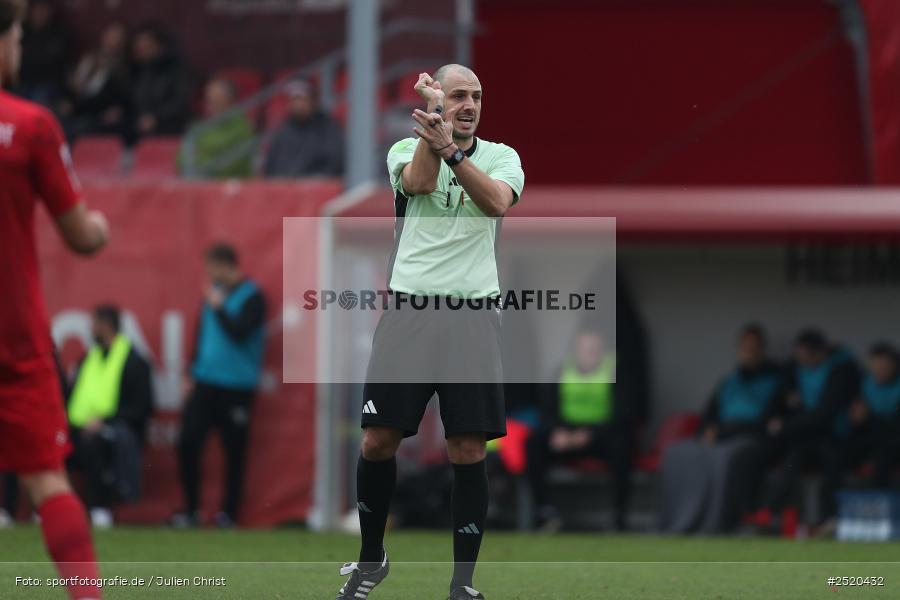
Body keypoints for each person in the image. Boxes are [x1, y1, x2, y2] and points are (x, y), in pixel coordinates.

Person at [336, 65, 524, 600]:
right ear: (439, 100)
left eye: (476, 96)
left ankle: (462, 585)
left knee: (467, 448)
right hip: (410, 312)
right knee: (378, 440)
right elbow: (418, 184)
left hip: (472, 317)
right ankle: (371, 560)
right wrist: (434, 132)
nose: (470, 105)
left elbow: (496, 202)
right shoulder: (405, 148)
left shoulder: (502, 156)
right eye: (458, 95)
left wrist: (454, 154)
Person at [0, 2, 109, 598]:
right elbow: (81, 236)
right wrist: (100, 228)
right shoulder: (30, 125)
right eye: (16, 38)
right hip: (13, 336)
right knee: (46, 480)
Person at [175, 243, 266, 529]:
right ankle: (191, 510)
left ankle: (228, 514)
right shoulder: (212, 295)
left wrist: (219, 307)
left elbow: (240, 332)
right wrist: (190, 371)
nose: (210, 275)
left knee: (234, 452)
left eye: (213, 269)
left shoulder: (253, 297)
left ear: (228, 265)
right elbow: (202, 335)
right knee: (188, 442)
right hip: (204, 382)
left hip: (236, 387)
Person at [660, 324, 782, 534]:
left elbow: (767, 422)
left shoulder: (776, 380)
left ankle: (715, 523)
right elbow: (708, 416)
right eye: (744, 348)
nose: (748, 353)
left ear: (762, 350)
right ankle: (677, 522)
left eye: (753, 348)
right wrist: (706, 432)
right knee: (678, 453)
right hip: (721, 437)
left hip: (751, 440)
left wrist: (723, 433)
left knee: (726, 456)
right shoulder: (728, 382)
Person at [753, 329, 860, 532]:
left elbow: (825, 414)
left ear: (820, 353)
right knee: (789, 462)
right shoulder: (793, 368)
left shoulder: (842, 369)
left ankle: (829, 519)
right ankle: (769, 513)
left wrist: (786, 424)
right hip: (804, 437)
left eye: (806, 357)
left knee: (833, 464)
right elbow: (780, 401)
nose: (802, 362)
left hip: (836, 436)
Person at [525, 329, 631, 532]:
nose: (588, 354)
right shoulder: (562, 371)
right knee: (534, 443)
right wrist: (558, 431)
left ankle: (618, 517)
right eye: (584, 350)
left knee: (622, 444)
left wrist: (591, 434)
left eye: (593, 350)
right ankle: (545, 512)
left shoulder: (615, 371)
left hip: (601, 435)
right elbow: (547, 408)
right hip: (566, 434)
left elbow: (623, 413)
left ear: (602, 351)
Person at [67, 305, 153, 528]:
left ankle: (99, 508)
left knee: (98, 442)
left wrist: (104, 421)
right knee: (52, 442)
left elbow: (142, 407)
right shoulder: (88, 358)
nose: (90, 329)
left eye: (94, 324)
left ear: (106, 326)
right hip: (76, 428)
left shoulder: (134, 362)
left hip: (114, 430)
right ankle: (51, 509)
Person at [816, 342, 900, 530]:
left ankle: (876, 518)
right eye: (876, 365)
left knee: (882, 462)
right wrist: (857, 419)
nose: (880, 370)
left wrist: (869, 418)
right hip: (867, 439)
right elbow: (856, 421)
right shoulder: (863, 385)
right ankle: (829, 518)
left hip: (892, 443)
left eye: (885, 366)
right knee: (836, 459)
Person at [60, 21, 130, 141]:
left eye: (117, 38)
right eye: (110, 36)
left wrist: (119, 110)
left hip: (99, 114)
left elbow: (122, 95)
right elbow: (75, 87)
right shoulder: (89, 59)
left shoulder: (123, 66)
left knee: (82, 128)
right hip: (79, 109)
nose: (112, 41)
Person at [263, 78, 343, 178]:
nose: (298, 105)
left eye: (302, 99)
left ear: (313, 101)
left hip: (318, 186)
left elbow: (335, 163)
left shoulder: (328, 129)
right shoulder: (283, 131)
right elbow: (271, 166)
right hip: (284, 186)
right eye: (294, 99)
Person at [178, 77, 254, 178]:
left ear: (230, 100)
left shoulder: (243, 128)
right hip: (200, 181)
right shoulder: (198, 127)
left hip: (232, 183)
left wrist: (199, 158)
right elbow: (181, 158)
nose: (211, 104)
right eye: (208, 99)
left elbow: (230, 163)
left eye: (217, 99)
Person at [127, 24, 190, 144]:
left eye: (147, 46)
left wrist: (156, 117)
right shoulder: (135, 70)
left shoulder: (176, 69)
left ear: (159, 46)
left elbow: (180, 102)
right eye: (139, 47)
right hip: (138, 126)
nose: (143, 50)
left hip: (169, 125)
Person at [13, 0, 68, 107]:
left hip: (45, 84)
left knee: (39, 101)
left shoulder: (58, 33)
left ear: (50, 12)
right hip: (21, 80)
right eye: (38, 9)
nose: (40, 13)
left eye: (44, 10)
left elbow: (57, 66)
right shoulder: (22, 29)